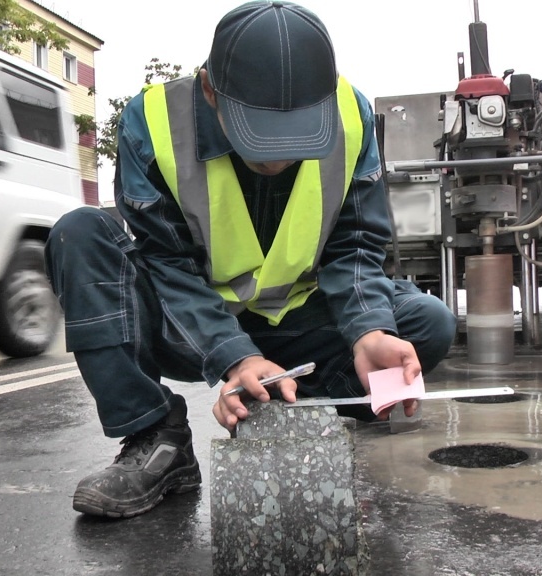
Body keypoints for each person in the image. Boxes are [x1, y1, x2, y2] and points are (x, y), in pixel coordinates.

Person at [44, 0, 457, 519]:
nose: (280, 155)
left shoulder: (351, 116)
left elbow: (355, 246)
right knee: (79, 234)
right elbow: (166, 263)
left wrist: (369, 331)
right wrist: (233, 355)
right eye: (260, 133)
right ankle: (156, 439)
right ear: (211, 90)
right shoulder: (153, 123)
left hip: (299, 320)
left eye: (297, 134)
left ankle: (292, 410)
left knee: (428, 323)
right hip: (189, 326)